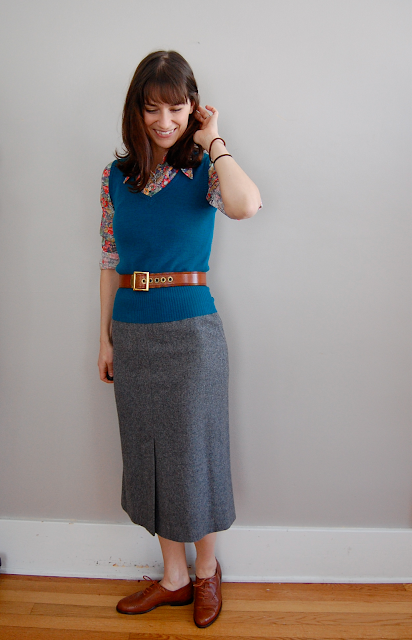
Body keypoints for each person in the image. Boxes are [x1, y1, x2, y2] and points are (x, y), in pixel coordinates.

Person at [98, 50, 261, 629]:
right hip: (132, 330)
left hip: (192, 335)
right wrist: (104, 339)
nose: (165, 121)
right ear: (136, 111)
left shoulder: (205, 169)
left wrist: (215, 141)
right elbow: (109, 260)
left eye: (176, 108)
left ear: (193, 108)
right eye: (152, 108)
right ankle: (173, 578)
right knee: (148, 456)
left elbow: (247, 205)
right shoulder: (115, 176)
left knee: (195, 454)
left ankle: (206, 571)